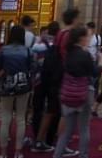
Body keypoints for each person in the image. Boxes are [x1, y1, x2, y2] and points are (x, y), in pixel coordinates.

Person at [32, 9, 80, 154]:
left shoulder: (60, 33)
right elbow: (67, 57)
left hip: (53, 76)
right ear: (74, 19)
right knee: (65, 113)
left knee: (51, 110)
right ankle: (61, 145)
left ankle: (40, 141)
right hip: (63, 78)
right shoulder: (69, 35)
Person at [53, 26, 102, 158]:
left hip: (68, 93)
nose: (89, 39)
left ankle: (57, 155)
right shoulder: (84, 55)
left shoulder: (67, 53)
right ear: (81, 38)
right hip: (83, 93)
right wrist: (101, 62)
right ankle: (83, 155)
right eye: (87, 36)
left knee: (66, 131)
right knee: (84, 128)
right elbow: (94, 73)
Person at [0, 25, 33, 158]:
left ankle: (3, 153)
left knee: (6, 118)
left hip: (6, 85)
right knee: (21, 119)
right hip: (23, 86)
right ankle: (18, 152)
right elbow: (33, 68)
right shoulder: (27, 51)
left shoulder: (3, 50)